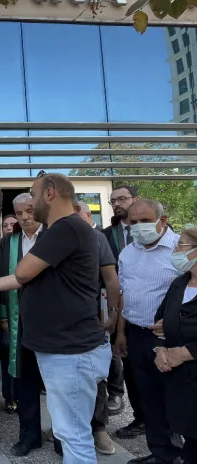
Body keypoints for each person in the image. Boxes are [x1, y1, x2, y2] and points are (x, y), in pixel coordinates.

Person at [0, 174, 110, 463]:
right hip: (65, 348)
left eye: (32, 196)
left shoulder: (64, 228)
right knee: (70, 430)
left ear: (50, 193)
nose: (29, 204)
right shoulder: (63, 229)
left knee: (73, 434)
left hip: (69, 351)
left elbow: (22, 274)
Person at [115, 199, 182, 464]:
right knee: (148, 399)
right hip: (136, 335)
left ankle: (180, 454)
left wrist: (175, 322)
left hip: (170, 339)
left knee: (174, 399)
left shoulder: (182, 250)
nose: (139, 227)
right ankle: (160, 453)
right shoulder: (127, 253)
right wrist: (121, 333)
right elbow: (123, 295)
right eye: (133, 223)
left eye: (145, 221)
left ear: (162, 221)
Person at [0, 193, 44, 457]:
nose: (25, 217)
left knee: (55, 383)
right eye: (20, 213)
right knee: (24, 381)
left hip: (49, 323)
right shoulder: (9, 243)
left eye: (29, 211)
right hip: (19, 323)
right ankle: (29, 436)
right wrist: (3, 314)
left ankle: (61, 437)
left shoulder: (52, 237)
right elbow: (2, 280)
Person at [75, 200, 121, 456]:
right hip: (62, 324)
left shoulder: (97, 239)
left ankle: (99, 428)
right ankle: (72, 430)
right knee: (70, 379)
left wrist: (113, 314)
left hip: (94, 318)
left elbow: (111, 279)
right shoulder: (52, 237)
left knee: (96, 375)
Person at [153, 226, 197, 464]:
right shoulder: (179, 284)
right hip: (181, 384)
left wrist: (186, 353)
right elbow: (159, 323)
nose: (175, 250)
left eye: (181, 245)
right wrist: (159, 349)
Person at [102, 185, 144, 427]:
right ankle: (140, 419)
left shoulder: (155, 231)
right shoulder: (107, 235)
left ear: (135, 199)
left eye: (122, 199)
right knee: (128, 365)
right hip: (119, 310)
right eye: (113, 200)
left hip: (150, 313)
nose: (117, 204)